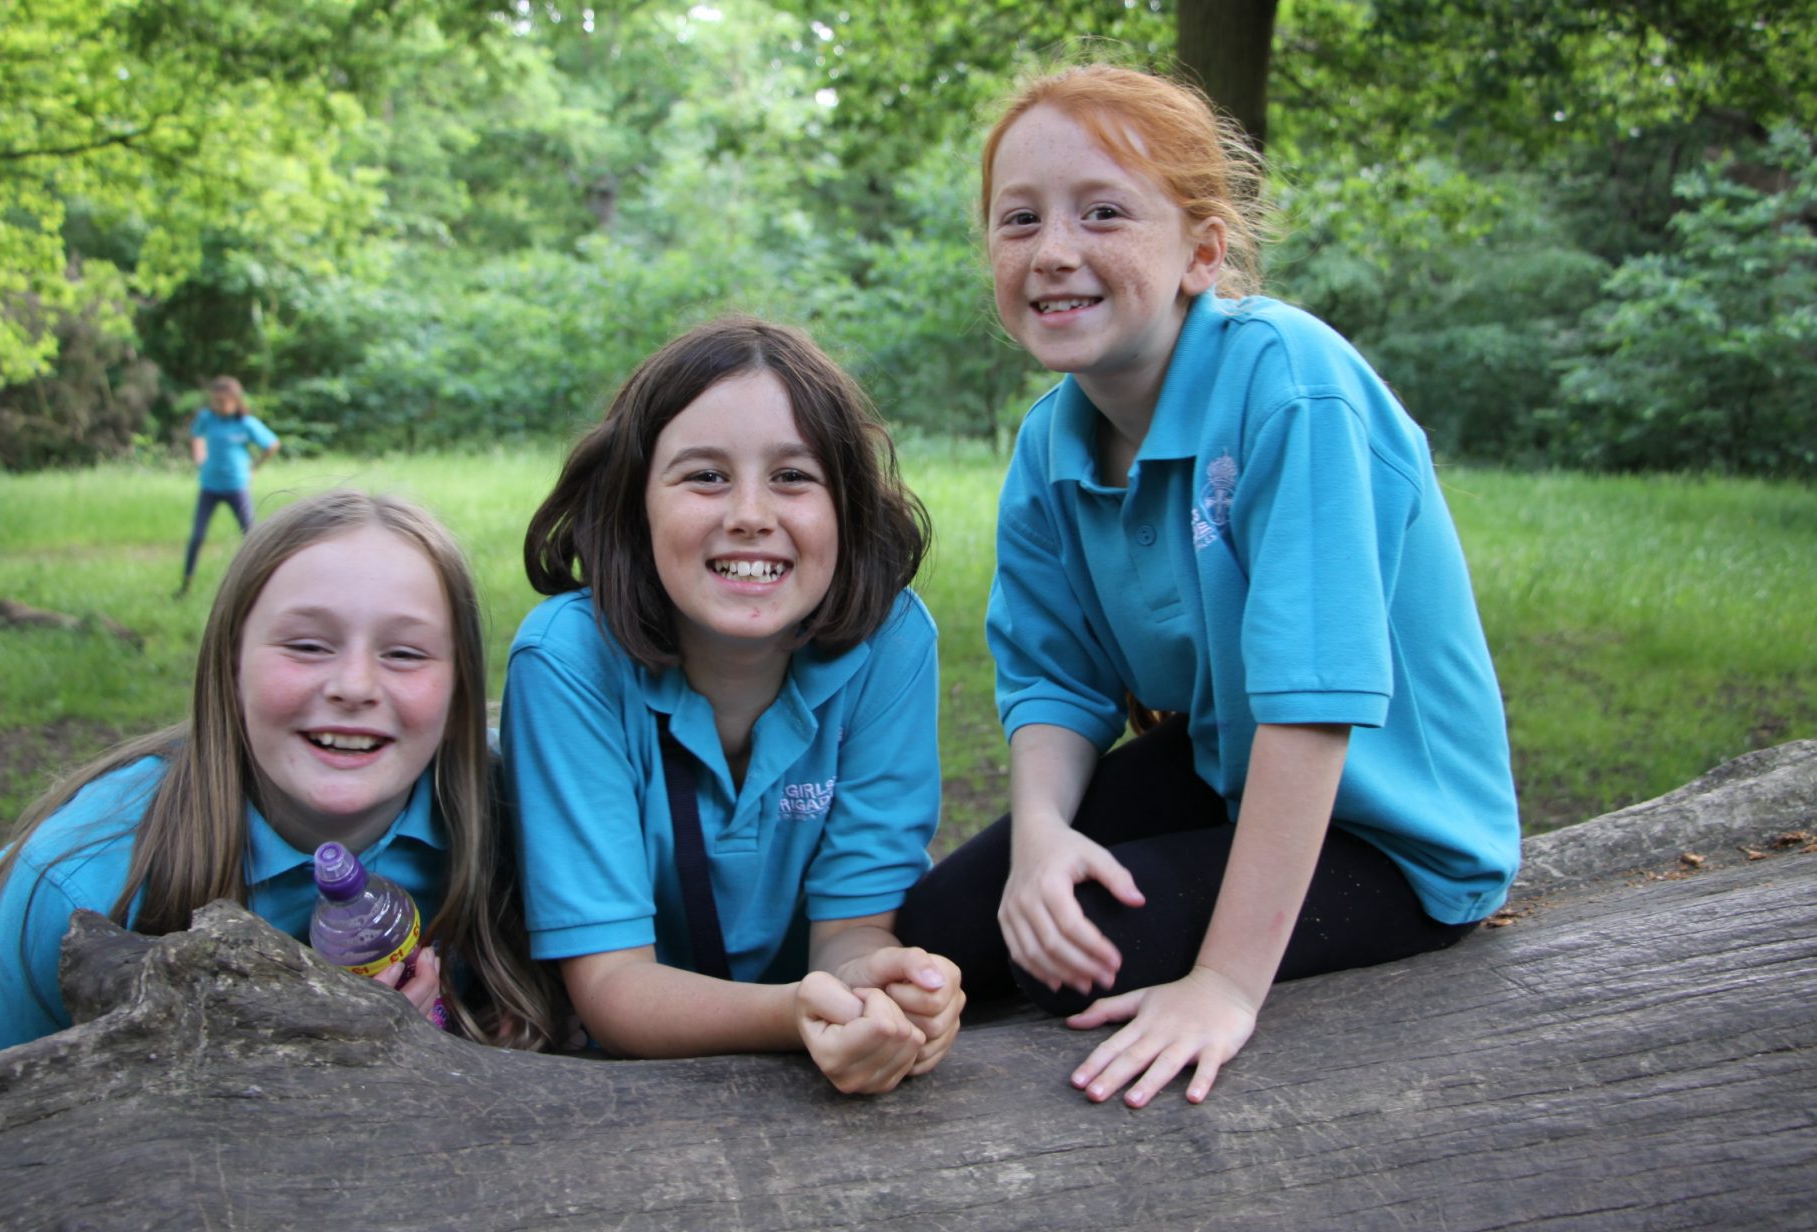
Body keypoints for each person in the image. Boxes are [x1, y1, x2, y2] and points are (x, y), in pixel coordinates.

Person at [896, 65, 1520, 1108]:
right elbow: (1055, 683)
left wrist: (1224, 984)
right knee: (945, 929)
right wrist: (1044, 839)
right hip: (1225, 766)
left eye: (1103, 212)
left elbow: (1311, 706)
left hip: (1395, 826)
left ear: (1202, 249)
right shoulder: (1052, 443)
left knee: (1077, 957)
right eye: (1019, 220)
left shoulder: (1293, 385)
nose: (1054, 251)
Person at [504, 316, 964, 1094]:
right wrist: (795, 1015)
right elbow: (613, 988)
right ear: (633, 504)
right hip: (615, 1087)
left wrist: (876, 989)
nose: (750, 513)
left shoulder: (890, 642)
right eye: (705, 476)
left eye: (793, 476)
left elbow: (851, 928)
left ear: (846, 510)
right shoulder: (566, 660)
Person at [0, 490, 560, 1056]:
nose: (354, 686)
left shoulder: (531, 822)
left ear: (459, 687)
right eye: (306, 645)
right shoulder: (73, 885)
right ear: (230, 662)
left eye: (404, 653)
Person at [177, 375, 279, 598]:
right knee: (197, 536)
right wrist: (199, 457)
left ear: (235, 401)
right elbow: (196, 436)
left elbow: (272, 445)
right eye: (215, 401)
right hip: (210, 486)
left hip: (236, 486)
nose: (218, 406)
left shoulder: (245, 424)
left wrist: (253, 468)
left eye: (223, 402)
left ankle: (263, 586)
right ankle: (186, 585)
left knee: (251, 536)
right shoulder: (207, 418)